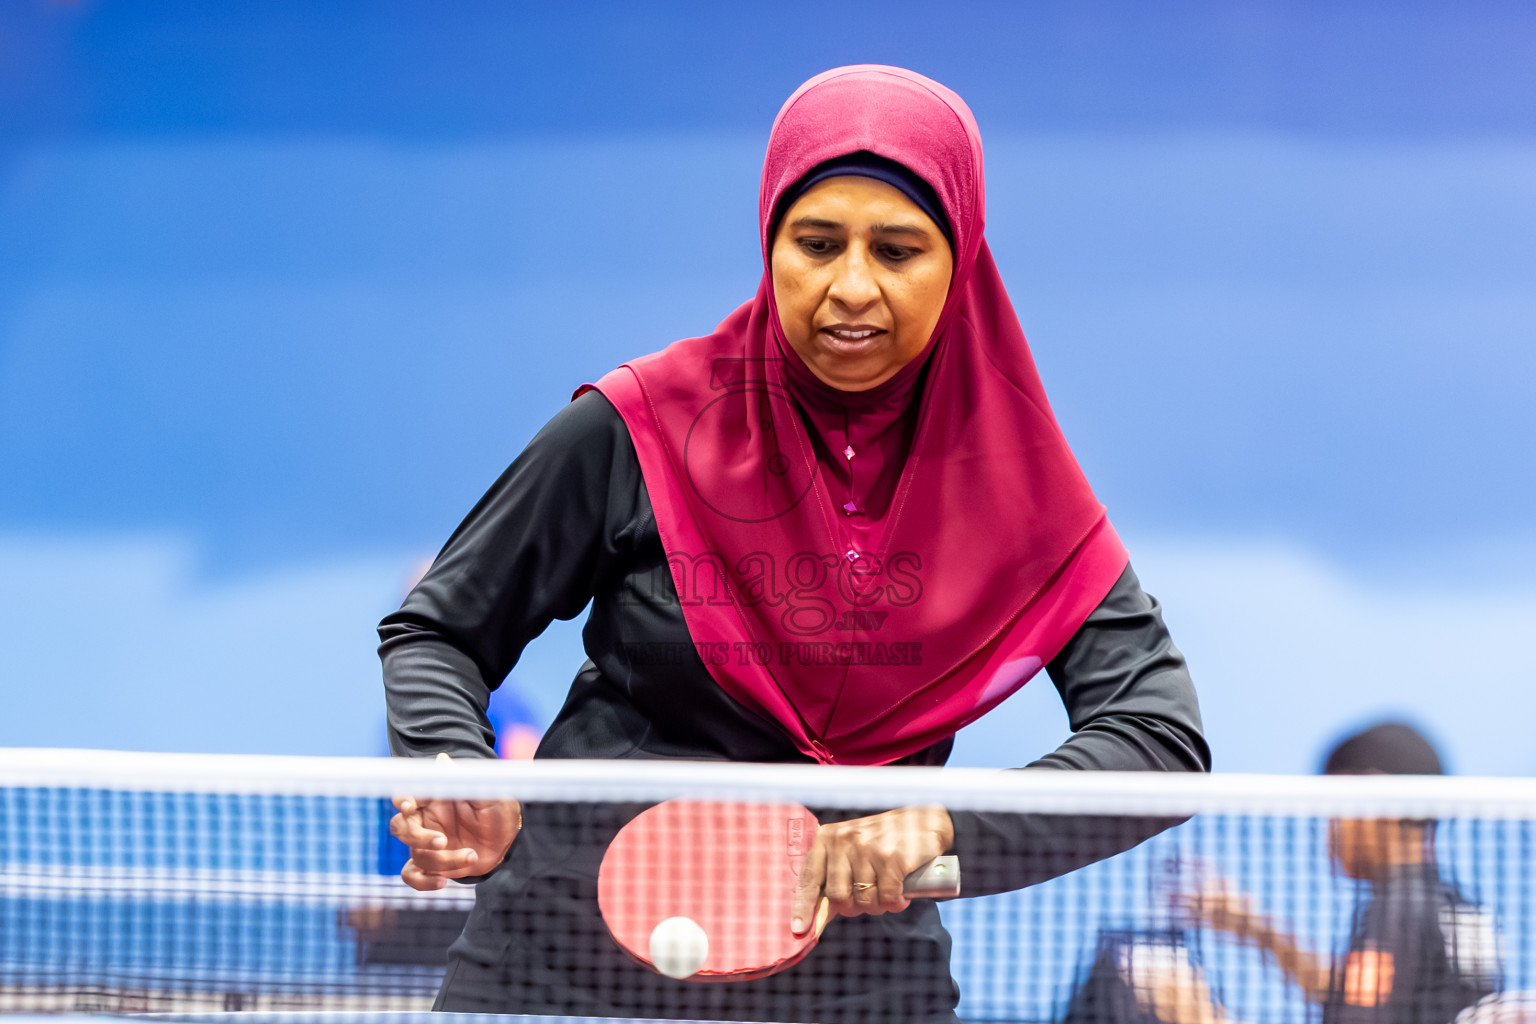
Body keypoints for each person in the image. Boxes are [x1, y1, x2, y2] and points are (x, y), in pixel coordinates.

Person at [379, 65, 1210, 1023]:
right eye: (816, 244)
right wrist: (453, 769)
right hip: (565, 959)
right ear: (771, 244)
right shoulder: (641, 426)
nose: (850, 287)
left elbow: (1158, 741)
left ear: (961, 261)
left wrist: (943, 824)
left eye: (897, 250)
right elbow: (440, 629)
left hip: (858, 988)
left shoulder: (1020, 491)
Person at [1137, 722, 1500, 1024]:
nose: (1328, 830)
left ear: (1376, 801)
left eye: (1333, 809)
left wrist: (1201, 1016)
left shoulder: (1397, 912)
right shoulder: (1454, 906)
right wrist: (1255, 928)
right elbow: (1360, 997)